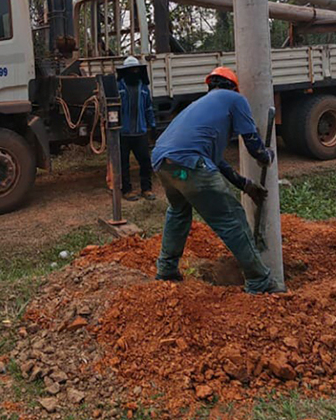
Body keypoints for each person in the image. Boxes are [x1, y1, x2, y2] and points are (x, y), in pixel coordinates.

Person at [150, 67, 283, 294]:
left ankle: (167, 269)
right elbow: (251, 139)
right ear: (233, 87)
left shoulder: (202, 106)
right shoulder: (235, 99)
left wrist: (244, 184)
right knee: (231, 218)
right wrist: (265, 155)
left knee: (179, 211)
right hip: (190, 164)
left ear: (211, 85)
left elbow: (216, 163)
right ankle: (259, 279)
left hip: (166, 166)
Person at [116, 56, 157, 201]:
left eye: (136, 69)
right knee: (123, 164)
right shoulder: (119, 87)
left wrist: (152, 126)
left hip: (140, 132)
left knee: (145, 162)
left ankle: (146, 189)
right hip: (123, 133)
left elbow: (148, 108)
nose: (134, 71)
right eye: (131, 69)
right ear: (126, 71)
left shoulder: (143, 88)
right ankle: (126, 190)